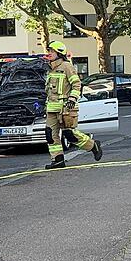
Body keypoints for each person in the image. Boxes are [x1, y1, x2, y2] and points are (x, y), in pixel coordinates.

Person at [44, 41, 103, 169]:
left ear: (59, 53)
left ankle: (93, 145)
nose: (49, 53)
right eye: (48, 51)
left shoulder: (67, 66)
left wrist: (72, 99)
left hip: (66, 108)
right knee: (50, 134)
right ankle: (58, 160)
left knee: (69, 135)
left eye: (51, 51)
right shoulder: (50, 68)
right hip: (52, 109)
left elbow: (77, 85)